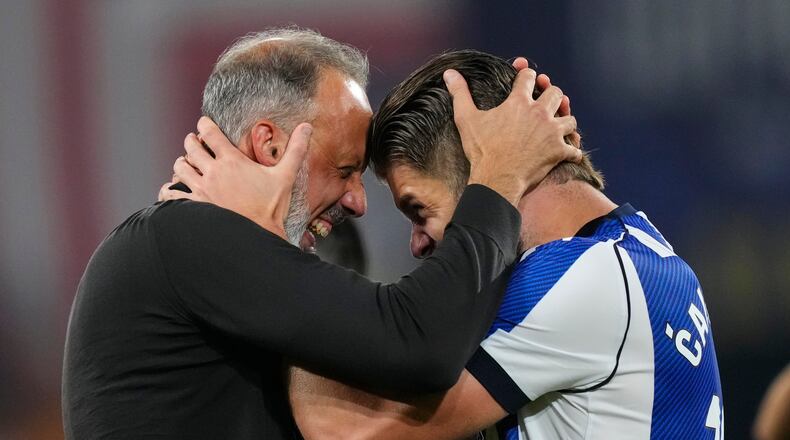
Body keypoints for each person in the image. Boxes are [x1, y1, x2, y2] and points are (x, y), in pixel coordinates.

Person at [172, 50, 724, 439]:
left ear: (488, 173)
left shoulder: (580, 279)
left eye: (419, 210)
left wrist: (270, 239)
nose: (417, 245)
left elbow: (345, 430)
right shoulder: (638, 252)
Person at [61, 28, 580, 439]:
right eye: (345, 169)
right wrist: (499, 176)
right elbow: (418, 343)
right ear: (270, 146)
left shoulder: (191, 250)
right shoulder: (187, 234)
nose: (357, 201)